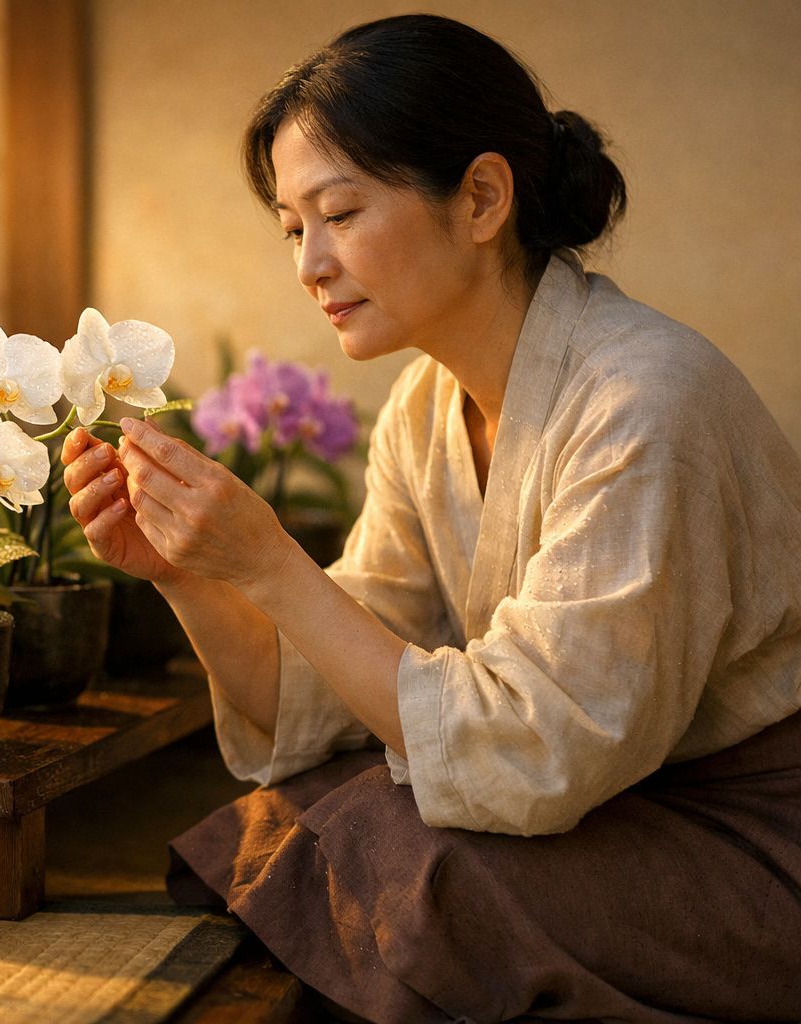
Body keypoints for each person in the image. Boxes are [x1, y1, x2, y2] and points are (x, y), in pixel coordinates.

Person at [62, 13, 801, 1023]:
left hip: (753, 844)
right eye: (292, 227)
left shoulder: (646, 399)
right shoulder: (422, 409)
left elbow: (541, 755)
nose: (309, 264)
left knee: (408, 861)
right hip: (609, 812)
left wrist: (274, 562)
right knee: (306, 815)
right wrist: (188, 571)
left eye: (340, 211)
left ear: (483, 197)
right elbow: (339, 687)